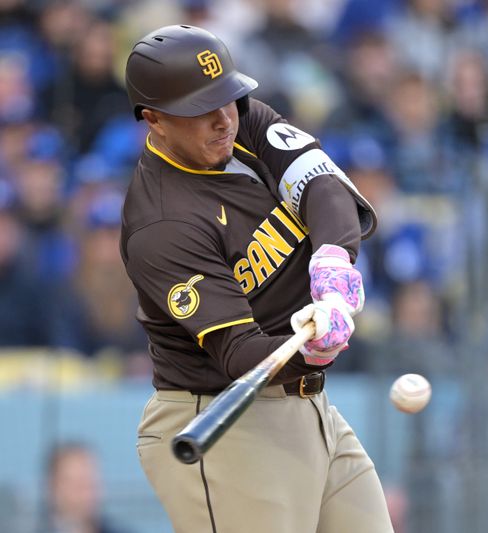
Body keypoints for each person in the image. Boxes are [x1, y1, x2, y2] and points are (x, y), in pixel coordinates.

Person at [120, 25, 393, 533]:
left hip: (312, 409)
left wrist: (333, 262)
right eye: (200, 108)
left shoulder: (239, 120)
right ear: (154, 119)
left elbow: (324, 188)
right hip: (226, 423)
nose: (223, 118)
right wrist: (311, 348)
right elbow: (239, 354)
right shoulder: (162, 225)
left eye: (227, 96)